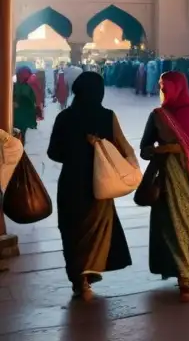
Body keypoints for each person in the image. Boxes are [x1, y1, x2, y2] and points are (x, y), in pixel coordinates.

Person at [46, 72, 133, 300]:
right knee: (96, 230)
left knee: (72, 229)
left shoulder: (64, 117)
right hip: (99, 183)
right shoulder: (107, 116)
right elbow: (123, 147)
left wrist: (75, 153)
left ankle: (78, 279)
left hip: (71, 183)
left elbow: (53, 153)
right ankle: (89, 272)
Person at [140, 71, 189, 303]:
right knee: (169, 225)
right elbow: (144, 147)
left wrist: (171, 149)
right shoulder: (158, 115)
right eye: (161, 88)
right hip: (165, 179)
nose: (163, 92)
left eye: (167, 88)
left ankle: (186, 277)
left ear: (179, 88)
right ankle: (176, 271)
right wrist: (154, 150)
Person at [13, 66, 38, 146]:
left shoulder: (12, 86)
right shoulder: (28, 87)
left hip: (14, 114)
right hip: (23, 115)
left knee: (15, 134)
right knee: (21, 133)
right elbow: (32, 101)